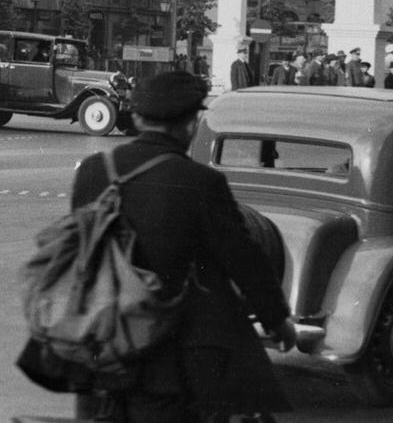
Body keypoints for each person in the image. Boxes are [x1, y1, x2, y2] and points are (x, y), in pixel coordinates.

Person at [20, 70, 297, 421]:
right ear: (190, 125)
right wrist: (277, 320)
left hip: (100, 343)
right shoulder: (201, 182)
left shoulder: (94, 169)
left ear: (136, 118)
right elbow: (244, 260)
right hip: (168, 354)